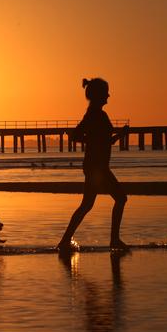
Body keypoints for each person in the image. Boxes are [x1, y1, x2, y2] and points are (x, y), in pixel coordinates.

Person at [57, 78, 129, 251]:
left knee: (87, 204)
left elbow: (105, 142)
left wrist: (120, 135)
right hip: (97, 167)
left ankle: (65, 241)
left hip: (97, 166)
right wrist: (92, 140)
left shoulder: (96, 113)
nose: (109, 96)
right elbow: (75, 135)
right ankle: (114, 240)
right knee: (120, 198)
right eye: (106, 93)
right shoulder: (94, 114)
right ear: (98, 95)